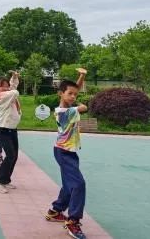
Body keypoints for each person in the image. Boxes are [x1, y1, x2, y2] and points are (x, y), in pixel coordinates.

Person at [45, 68, 89, 239]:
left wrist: (82, 77)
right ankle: (73, 221)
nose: (73, 97)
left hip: (67, 152)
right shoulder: (64, 112)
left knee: (69, 184)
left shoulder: (68, 104)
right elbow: (83, 107)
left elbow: (74, 89)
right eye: (69, 94)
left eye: (74, 95)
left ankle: (55, 211)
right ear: (60, 94)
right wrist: (79, 103)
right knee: (79, 184)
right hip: (63, 152)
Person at [0, 71, 21, 194]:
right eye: (2, 86)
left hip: (12, 129)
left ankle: (5, 180)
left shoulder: (7, 94)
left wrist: (14, 77)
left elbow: (13, 87)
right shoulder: (0, 96)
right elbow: (15, 91)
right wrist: (12, 87)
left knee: (14, 156)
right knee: (10, 156)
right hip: (3, 130)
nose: (6, 88)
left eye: (6, 85)